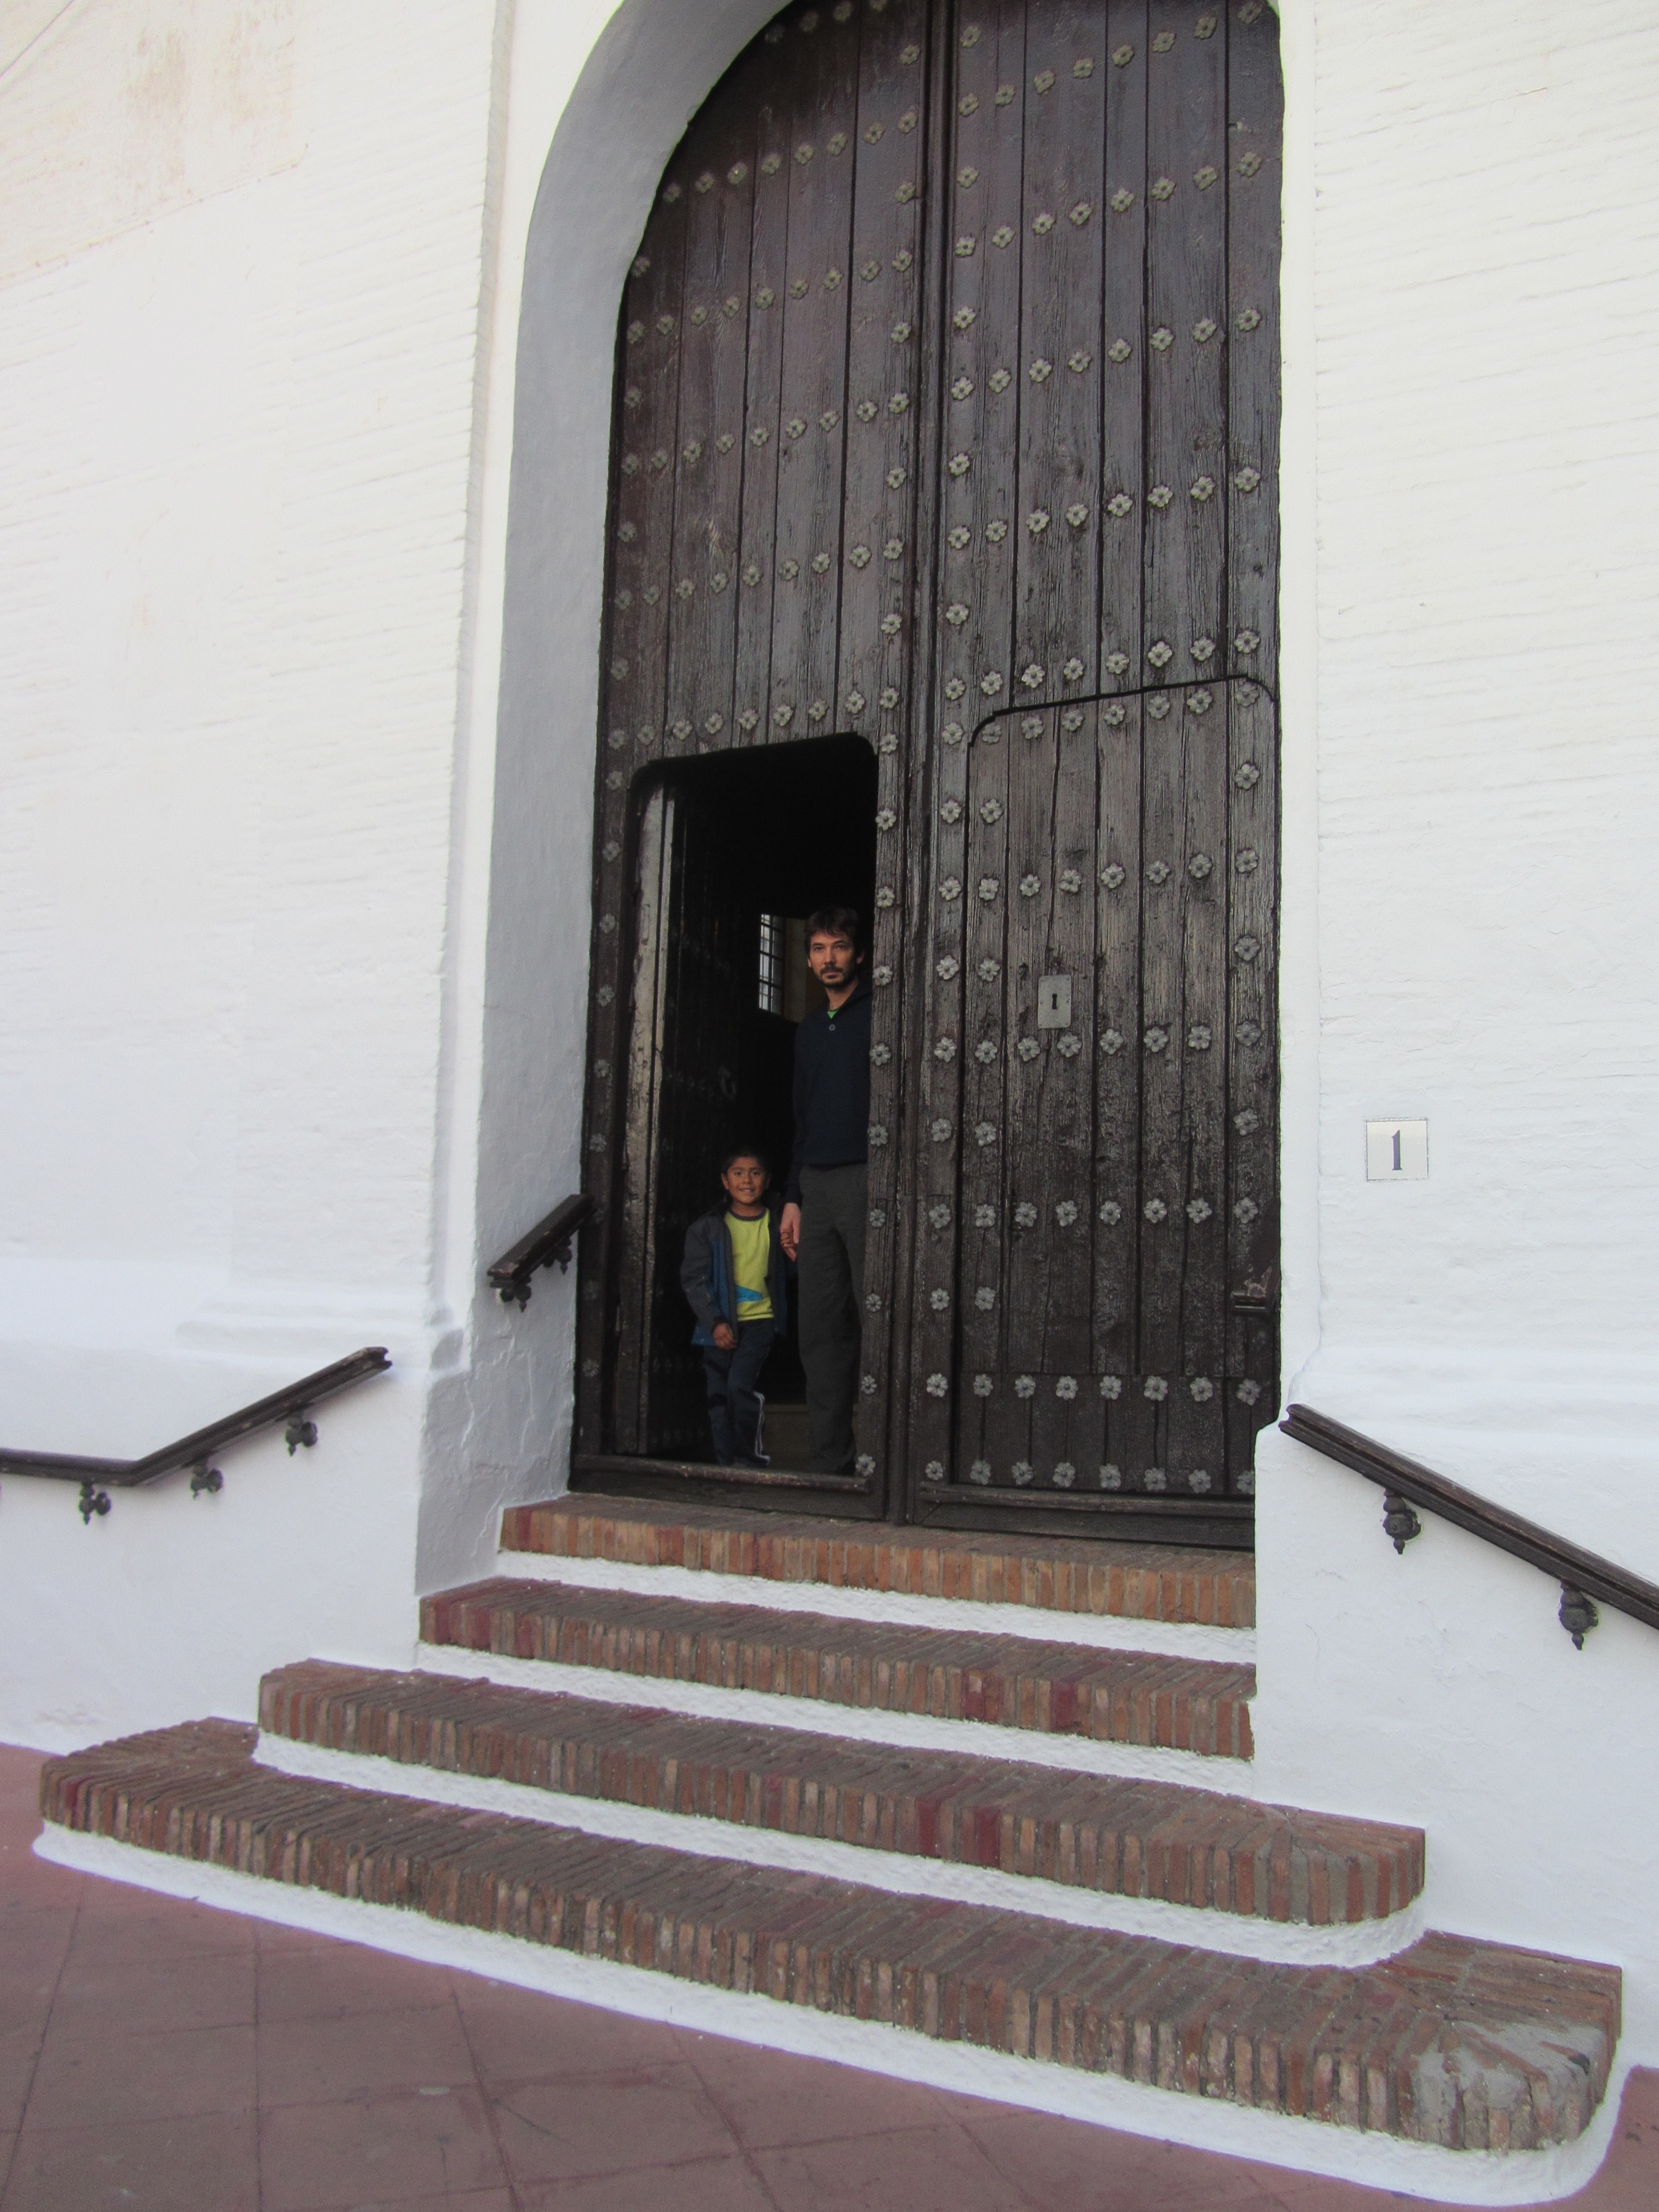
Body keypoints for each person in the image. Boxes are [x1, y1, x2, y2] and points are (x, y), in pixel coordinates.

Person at [778, 907, 870, 1475]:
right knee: (820, 1326)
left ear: (858, 954)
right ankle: (829, 1460)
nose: (828, 958)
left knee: (875, 1313)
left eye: (838, 947)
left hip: (866, 1180)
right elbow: (801, 1118)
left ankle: (889, 1457)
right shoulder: (810, 1030)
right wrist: (792, 1195)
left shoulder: (880, 1015)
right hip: (816, 1185)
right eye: (817, 948)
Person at [680, 1146, 787, 1468]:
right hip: (717, 1324)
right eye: (738, 1174)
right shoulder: (707, 1228)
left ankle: (749, 1461)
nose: (747, 1181)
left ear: (767, 1181)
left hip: (760, 1321)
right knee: (718, 1397)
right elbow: (695, 1280)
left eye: (755, 1173)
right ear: (725, 1182)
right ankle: (725, 1464)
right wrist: (715, 1321)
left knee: (740, 1387)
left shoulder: (779, 1223)